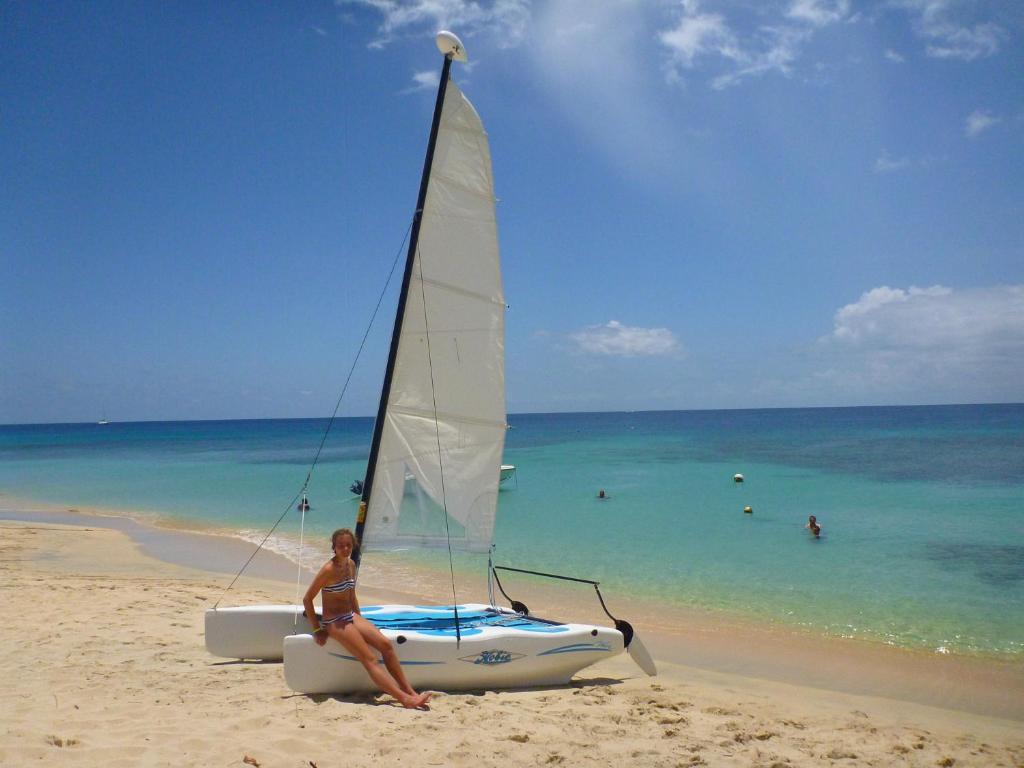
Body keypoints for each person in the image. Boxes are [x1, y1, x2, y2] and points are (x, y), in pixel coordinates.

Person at [303, 528, 431, 709]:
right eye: (341, 546)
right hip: (335, 622)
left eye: (348, 545)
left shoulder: (351, 565)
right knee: (369, 658)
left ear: (353, 546)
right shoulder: (328, 570)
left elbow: (351, 594)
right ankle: (405, 699)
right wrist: (317, 629)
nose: (345, 549)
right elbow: (307, 599)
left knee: (386, 646)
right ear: (334, 547)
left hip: (350, 616)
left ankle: (409, 690)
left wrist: (360, 622)